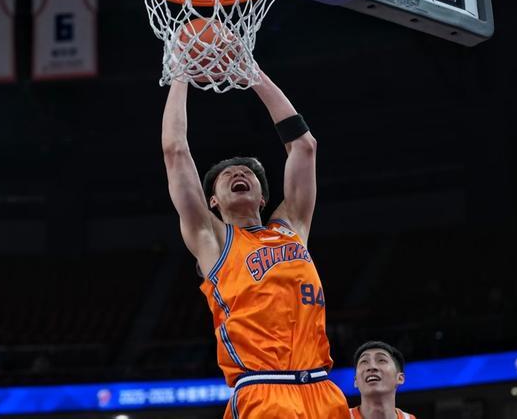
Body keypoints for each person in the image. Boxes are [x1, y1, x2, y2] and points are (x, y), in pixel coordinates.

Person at [161, 71, 349, 418]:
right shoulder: (213, 239)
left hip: (322, 389)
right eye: (227, 175)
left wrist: (251, 72)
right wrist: (181, 73)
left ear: (263, 197)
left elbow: (304, 146)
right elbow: (175, 151)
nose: (239, 173)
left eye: (248, 172)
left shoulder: (292, 226)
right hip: (263, 389)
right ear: (213, 201)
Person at [350, 341, 417, 419]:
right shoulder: (341, 415)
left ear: (400, 378)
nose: (372, 367)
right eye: (364, 361)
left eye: (381, 360)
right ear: (356, 381)